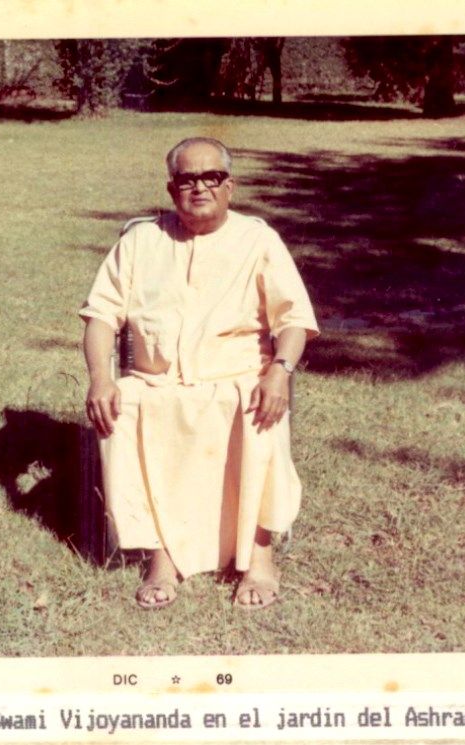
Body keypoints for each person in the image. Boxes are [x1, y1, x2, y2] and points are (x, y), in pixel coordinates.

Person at [79, 137, 318, 610]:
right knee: (122, 407)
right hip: (156, 382)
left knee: (258, 406)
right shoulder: (141, 241)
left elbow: (293, 320)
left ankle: (259, 557)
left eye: (211, 177)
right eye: (187, 179)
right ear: (172, 190)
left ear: (229, 186)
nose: (200, 187)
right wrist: (100, 378)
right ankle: (160, 555)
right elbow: (101, 315)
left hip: (238, 379)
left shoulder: (259, 239)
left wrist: (279, 372)